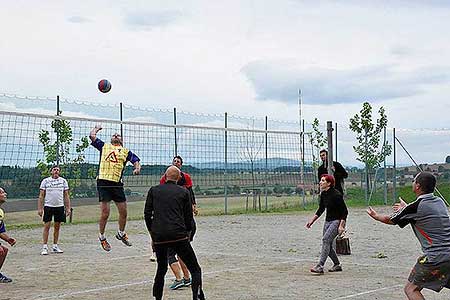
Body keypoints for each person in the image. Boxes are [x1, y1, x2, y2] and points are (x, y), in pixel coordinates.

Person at [367, 172, 450, 300]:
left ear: (417, 186)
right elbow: (422, 213)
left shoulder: (415, 207)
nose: (412, 183)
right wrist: (405, 208)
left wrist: (376, 216)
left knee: (411, 289)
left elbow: (391, 219)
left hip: (436, 257)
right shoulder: (439, 202)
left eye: (414, 181)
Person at [144, 166, 205, 300]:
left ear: (165, 177)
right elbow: (188, 218)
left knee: (161, 269)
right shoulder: (184, 192)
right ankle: (197, 296)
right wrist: (187, 235)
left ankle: (157, 297)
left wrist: (153, 234)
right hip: (179, 235)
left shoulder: (153, 190)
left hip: (159, 236)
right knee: (195, 269)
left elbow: (147, 215)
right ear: (178, 178)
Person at [90, 125, 141, 251]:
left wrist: (137, 168)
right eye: (114, 135)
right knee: (105, 213)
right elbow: (92, 136)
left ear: (122, 140)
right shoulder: (105, 146)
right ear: (111, 139)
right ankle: (102, 237)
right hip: (103, 181)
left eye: (118, 135)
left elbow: (136, 160)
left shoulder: (125, 151)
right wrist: (96, 129)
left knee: (124, 212)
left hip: (117, 184)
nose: (116, 135)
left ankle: (121, 233)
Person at [159, 155, 198, 290]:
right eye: (174, 161)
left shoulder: (184, 181)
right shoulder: (167, 183)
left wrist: (194, 205)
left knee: (170, 253)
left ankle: (179, 278)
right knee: (181, 251)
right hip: (186, 224)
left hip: (180, 225)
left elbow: (190, 193)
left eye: (178, 162)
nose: (176, 163)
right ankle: (187, 278)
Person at [306, 174, 348, 274]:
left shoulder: (336, 195)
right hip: (328, 221)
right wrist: (312, 221)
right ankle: (337, 264)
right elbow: (321, 209)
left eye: (323, 181)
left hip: (337, 221)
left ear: (329, 183)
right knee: (327, 243)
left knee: (325, 240)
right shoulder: (323, 194)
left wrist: (341, 226)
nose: (320, 182)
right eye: (321, 180)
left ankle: (320, 266)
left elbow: (345, 212)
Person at [38, 165, 71, 255]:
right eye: (54, 170)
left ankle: (55, 246)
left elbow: (66, 195)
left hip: (59, 206)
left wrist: (68, 208)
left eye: (58, 170)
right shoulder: (45, 181)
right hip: (48, 206)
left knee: (57, 227)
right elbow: (41, 196)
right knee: (47, 226)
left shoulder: (63, 181)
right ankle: (45, 247)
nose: (56, 171)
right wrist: (40, 208)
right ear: (51, 171)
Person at [0, 187, 16, 283]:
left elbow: (0, 231)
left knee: (4, 250)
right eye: (2, 193)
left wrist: (8, 239)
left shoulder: (1, 212)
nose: (5, 194)